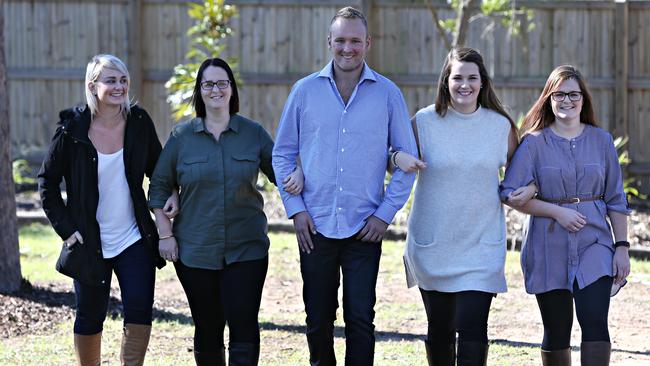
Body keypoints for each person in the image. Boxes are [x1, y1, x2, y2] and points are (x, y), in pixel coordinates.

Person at [272, 7, 418, 366]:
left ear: (368, 43)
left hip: (364, 228)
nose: (347, 48)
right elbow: (282, 155)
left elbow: (408, 162)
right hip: (315, 226)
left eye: (355, 40)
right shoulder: (304, 92)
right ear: (329, 43)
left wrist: (384, 215)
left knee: (360, 320)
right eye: (340, 40)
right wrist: (296, 210)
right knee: (317, 320)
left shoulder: (388, 94)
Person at [148, 57, 302, 366]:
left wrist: (297, 171)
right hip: (194, 251)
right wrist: (165, 235)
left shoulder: (253, 134)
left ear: (231, 89)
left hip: (247, 250)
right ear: (199, 90)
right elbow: (159, 187)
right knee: (208, 327)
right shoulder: (182, 138)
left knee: (244, 325)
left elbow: (281, 173)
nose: (215, 90)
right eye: (208, 84)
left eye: (222, 83)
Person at [394, 47, 531, 365]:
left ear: (483, 82)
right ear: (446, 81)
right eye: (457, 78)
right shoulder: (423, 123)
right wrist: (394, 157)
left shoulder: (500, 127)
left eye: (472, 78)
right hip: (433, 245)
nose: (464, 85)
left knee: (473, 330)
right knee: (439, 330)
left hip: (480, 246)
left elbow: (524, 171)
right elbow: (392, 161)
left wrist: (530, 188)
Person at [38, 54, 178, 366]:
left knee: (140, 311)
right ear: (93, 85)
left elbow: (159, 170)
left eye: (123, 80)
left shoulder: (139, 122)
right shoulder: (71, 129)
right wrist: (67, 231)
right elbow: (47, 182)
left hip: (134, 240)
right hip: (88, 242)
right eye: (110, 80)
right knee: (89, 316)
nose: (119, 86)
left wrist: (171, 193)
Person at [500, 65, 631, 366]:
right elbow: (509, 193)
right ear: (548, 98)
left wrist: (622, 247)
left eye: (573, 94)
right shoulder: (533, 143)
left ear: (584, 99)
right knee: (556, 330)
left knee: (595, 321)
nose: (566, 101)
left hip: (594, 242)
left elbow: (615, 198)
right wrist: (554, 210)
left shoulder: (602, 141)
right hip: (548, 246)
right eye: (559, 94)